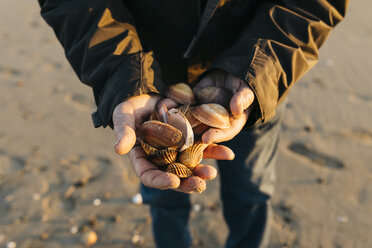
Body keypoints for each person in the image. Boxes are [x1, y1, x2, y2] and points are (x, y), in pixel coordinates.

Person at [38, 0, 349, 247]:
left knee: (251, 193)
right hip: (149, 76)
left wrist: (258, 68)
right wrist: (125, 75)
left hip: (254, 83)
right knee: (166, 196)